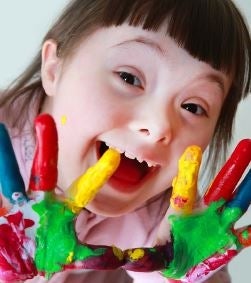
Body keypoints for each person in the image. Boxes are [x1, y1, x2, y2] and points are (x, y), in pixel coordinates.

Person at [0, 0, 250, 282]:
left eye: (193, 107)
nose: (158, 126)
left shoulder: (177, 227)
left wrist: (177, 276)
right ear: (53, 68)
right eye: (129, 78)